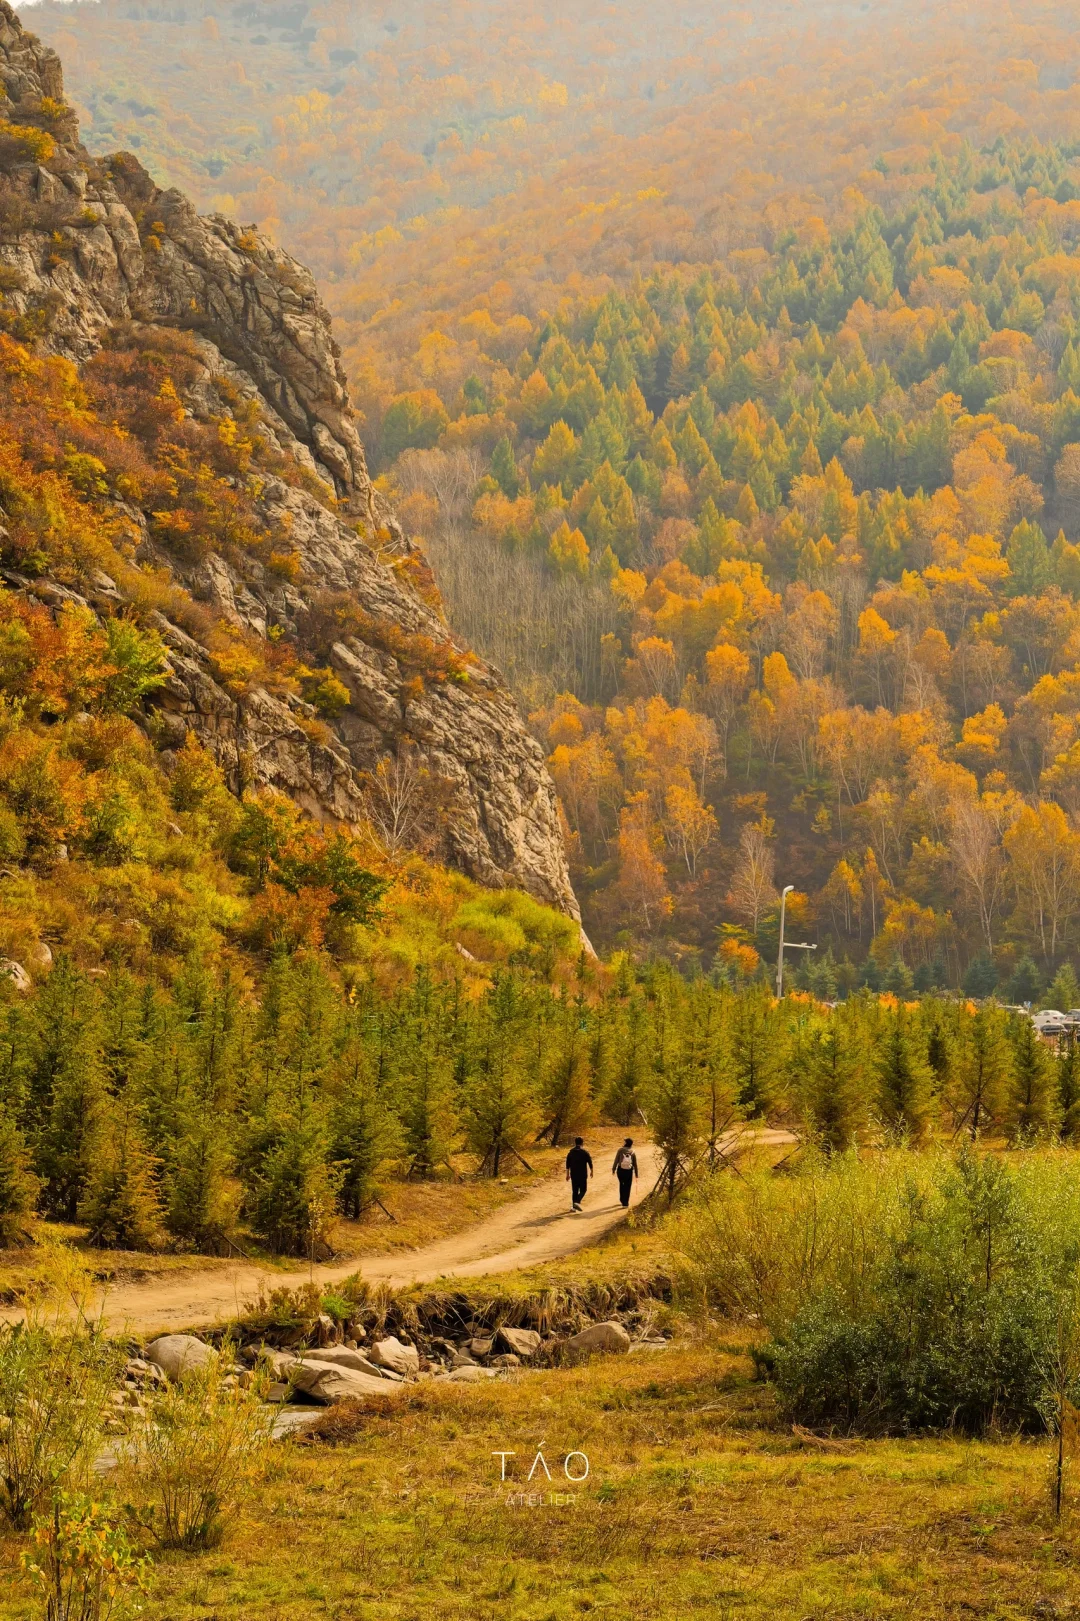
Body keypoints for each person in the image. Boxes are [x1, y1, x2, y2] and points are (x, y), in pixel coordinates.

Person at [564, 1137, 592, 1211]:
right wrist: (592, 1171)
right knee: (583, 1190)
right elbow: (590, 1162)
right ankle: (577, 1202)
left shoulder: (571, 1152)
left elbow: (567, 1165)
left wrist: (567, 1175)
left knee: (575, 1191)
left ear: (575, 1142)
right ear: (582, 1143)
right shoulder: (585, 1152)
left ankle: (573, 1207)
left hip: (574, 1174)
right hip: (582, 1174)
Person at [612, 1138, 638, 1208]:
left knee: (622, 1184)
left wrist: (613, 1169)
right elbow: (635, 1163)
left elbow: (616, 1160)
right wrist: (636, 1173)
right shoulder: (632, 1151)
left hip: (621, 1170)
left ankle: (622, 1199)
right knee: (628, 1186)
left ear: (625, 1143)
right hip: (629, 1171)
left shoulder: (620, 1150)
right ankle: (625, 1203)